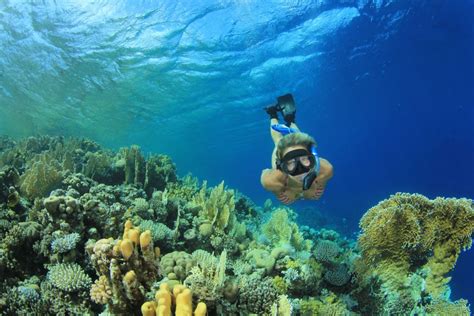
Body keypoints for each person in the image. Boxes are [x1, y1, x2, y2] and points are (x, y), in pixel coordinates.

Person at [260, 94, 333, 205]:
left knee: (298, 136)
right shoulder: (272, 182)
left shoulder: (326, 170)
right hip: (282, 171)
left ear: (313, 158)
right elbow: (265, 173)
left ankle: (290, 120)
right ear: (281, 165)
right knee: (278, 140)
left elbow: (324, 175)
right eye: (289, 163)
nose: (300, 170)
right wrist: (277, 191)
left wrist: (321, 184)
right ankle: (273, 114)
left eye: (304, 159)